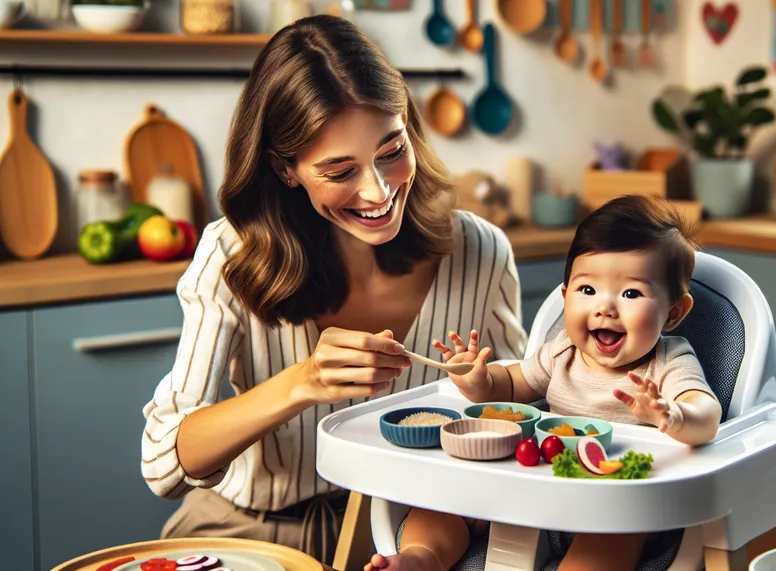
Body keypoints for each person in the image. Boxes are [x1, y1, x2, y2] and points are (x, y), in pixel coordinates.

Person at [139, 14, 527, 566]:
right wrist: (300, 382)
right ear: (286, 167)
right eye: (340, 170)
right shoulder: (230, 254)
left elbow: (523, 417)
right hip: (247, 535)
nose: (379, 189)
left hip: (410, 538)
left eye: (392, 151)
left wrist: (490, 393)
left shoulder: (480, 250)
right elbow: (162, 464)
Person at [367, 194, 723, 571]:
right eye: (588, 290)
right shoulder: (561, 351)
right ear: (565, 296)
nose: (605, 307)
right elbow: (510, 386)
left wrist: (673, 416)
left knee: (608, 541)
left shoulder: (667, 363)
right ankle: (420, 559)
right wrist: (479, 381)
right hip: (528, 494)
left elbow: (707, 414)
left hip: (614, 507)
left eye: (631, 293)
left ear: (674, 312)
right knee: (441, 503)